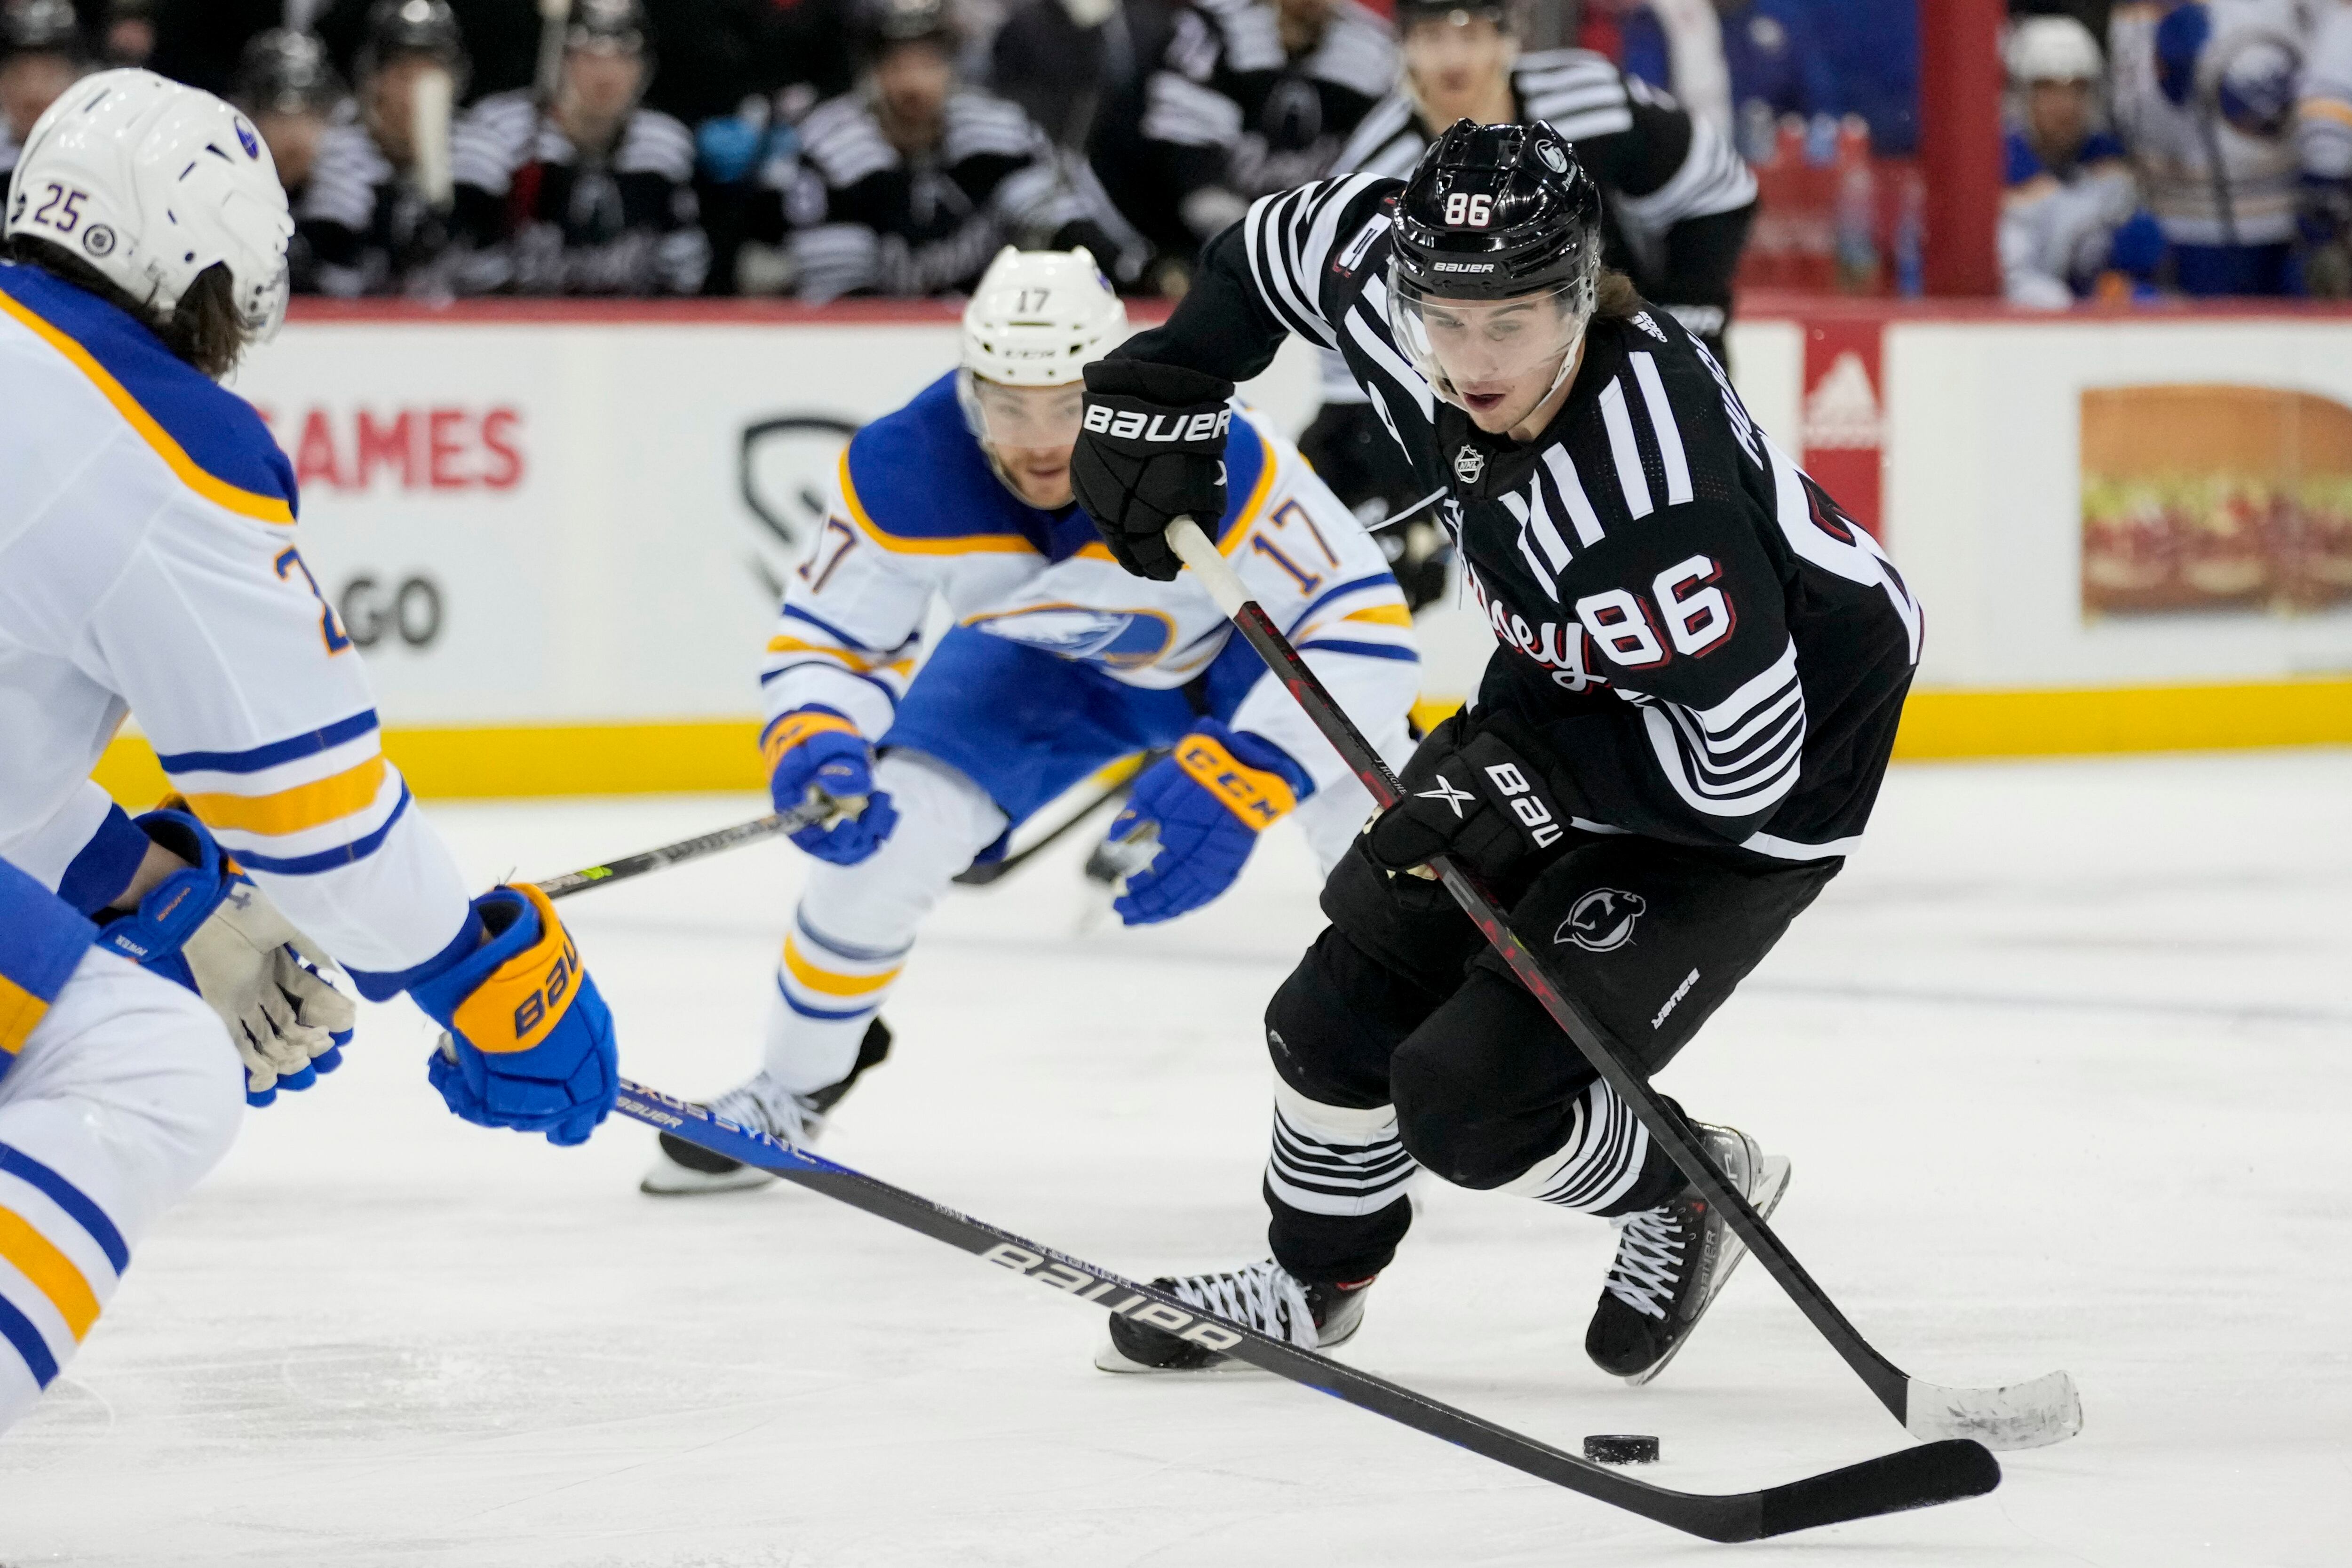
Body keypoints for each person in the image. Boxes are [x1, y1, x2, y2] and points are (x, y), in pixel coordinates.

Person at [1063, 122, 1922, 1381]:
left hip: (1766, 766)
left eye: (1511, 323)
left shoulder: (1646, 497)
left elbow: (1742, 762)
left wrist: (1527, 786)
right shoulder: (1406, 291)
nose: (1471, 361)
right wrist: (1176, 378)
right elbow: (1275, 244)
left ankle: (1685, 1188)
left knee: (1468, 1102)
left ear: (1581, 294)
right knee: (1327, 1018)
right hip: (1571, 679)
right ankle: (1313, 1285)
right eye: (1445, 321)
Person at [0, 68, 621, 1432]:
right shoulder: (154, 433)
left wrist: (148, 883)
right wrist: (479, 966)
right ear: (198, 257)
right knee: (143, 1065)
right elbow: (316, 809)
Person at [639, 245, 1420, 1194]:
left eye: (1067, 402)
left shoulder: (1218, 444)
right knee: (887, 838)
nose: (1040, 439)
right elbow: (831, 636)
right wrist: (817, 729)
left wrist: (1259, 765)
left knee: (1386, 833)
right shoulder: (902, 462)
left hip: (1238, 668)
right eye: (1008, 403)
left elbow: (1358, 621)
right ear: (970, 389)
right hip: (1048, 669)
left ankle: (1428, 1080)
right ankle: (793, 1086)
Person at [1306, 0, 1755, 613]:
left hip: (1614, 356)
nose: (1453, 58)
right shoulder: (1376, 173)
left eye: (1470, 32)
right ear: (1402, 47)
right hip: (1492, 397)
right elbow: (1355, 371)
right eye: (1432, 36)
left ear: (1509, 39)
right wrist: (1382, 496)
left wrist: (1688, 321)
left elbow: (1719, 189)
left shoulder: (1587, 97)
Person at [742, 0, 1142, 299]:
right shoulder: (833, 147)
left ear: (952, 67)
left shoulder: (995, 130)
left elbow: (1062, 229)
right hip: (869, 347)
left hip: (989, 331)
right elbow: (839, 296)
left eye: (928, 63)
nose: (913, 84)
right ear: (871, 72)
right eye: (897, 65)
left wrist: (1131, 276)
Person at [449, 0, 710, 294]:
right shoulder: (500, 133)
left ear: (645, 69)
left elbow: (682, 277)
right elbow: (468, 272)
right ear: (560, 60)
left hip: (628, 327)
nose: (606, 74)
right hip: (520, 326)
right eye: (588, 56)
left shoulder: (664, 145)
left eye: (623, 57)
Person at [1131, 0, 1396, 268]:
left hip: (1298, 257)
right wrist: (1269, 255)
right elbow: (1191, 179)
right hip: (1167, 245)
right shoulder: (1217, 28)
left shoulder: (1373, 51)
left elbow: (1375, 188)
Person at [2109, 0, 2308, 296]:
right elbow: (2134, 129)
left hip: (2288, 227)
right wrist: (2166, 79)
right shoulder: (2144, 10)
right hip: (2189, 231)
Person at [293, 0, 471, 297]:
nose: (415, 94)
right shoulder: (333, 154)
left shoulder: (478, 157)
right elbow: (325, 288)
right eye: (404, 75)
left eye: (430, 76)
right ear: (374, 80)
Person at [2001, 15, 2162, 306]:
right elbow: (2014, 282)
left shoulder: (2109, 165)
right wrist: (2076, 308)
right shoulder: (2004, 172)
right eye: (2049, 89)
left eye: (2078, 89)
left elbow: (2112, 272)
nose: (2067, 105)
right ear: (2022, 96)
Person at [229, 28, 348, 295]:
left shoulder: (351, 204)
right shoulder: (224, 202)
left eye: (311, 112)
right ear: (248, 116)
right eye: (279, 115)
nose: (296, 133)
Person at [0, 0, 85, 212]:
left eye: (50, 74)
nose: (33, 93)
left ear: (77, 81)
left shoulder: (103, 161)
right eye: (21, 74)